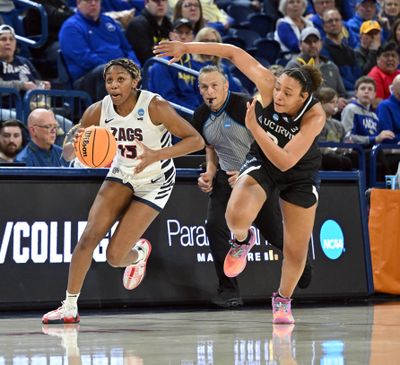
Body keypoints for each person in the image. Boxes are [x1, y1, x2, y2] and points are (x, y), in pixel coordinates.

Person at [154, 39, 325, 324]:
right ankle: (242, 239)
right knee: (234, 216)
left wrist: (255, 128)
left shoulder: (314, 116)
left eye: (288, 93)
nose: (278, 95)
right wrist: (187, 47)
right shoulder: (271, 86)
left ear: (303, 97)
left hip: (298, 172)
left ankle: (282, 300)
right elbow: (234, 52)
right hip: (264, 161)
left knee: (295, 250)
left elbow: (286, 161)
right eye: (278, 87)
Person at [41, 58, 204, 324]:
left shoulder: (155, 105)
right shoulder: (97, 111)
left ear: (135, 81)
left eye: (121, 79)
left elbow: (195, 140)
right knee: (88, 237)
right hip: (122, 173)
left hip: (156, 179)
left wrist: (156, 155)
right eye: (109, 80)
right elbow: (74, 142)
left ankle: (138, 254)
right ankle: (69, 306)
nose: (114, 85)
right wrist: (75, 144)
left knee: (115, 257)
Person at [193, 65, 312, 307]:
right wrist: (209, 172)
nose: (209, 91)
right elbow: (210, 147)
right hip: (226, 180)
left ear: (226, 86)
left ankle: (301, 261)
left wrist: (248, 171)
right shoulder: (200, 116)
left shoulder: (245, 107)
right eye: (204, 87)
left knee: (275, 234)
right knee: (215, 226)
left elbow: (271, 142)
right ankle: (228, 290)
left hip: (258, 177)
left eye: (215, 85)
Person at [59, 0, 141, 102]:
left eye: (96, 0)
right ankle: (110, 115)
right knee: (105, 72)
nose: (93, 3)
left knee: (147, 69)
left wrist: (135, 65)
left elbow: (127, 49)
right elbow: (85, 59)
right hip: (86, 79)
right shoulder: (71, 27)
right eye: (89, 1)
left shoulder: (109, 22)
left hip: (119, 71)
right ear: (79, 3)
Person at [286, 26, 347, 111]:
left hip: (332, 115)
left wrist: (339, 101)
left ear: (321, 43)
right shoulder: (295, 66)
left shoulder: (331, 66)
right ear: (300, 45)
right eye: (308, 42)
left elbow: (342, 93)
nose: (313, 45)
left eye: (315, 41)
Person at [315, 87, 353, 171]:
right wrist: (338, 150)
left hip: (337, 155)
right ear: (320, 104)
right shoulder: (316, 122)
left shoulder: (338, 124)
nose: (335, 105)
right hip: (323, 156)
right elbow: (320, 148)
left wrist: (347, 146)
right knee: (343, 161)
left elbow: (345, 139)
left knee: (356, 156)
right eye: (332, 102)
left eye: (336, 102)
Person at [125, 0, 172, 65]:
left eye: (164, 0)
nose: (160, 3)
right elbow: (146, 59)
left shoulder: (168, 24)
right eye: (156, 0)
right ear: (146, 3)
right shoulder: (138, 25)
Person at [367, 41, 400, 107]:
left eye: (393, 56)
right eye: (386, 55)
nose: (390, 59)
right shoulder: (374, 75)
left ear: (398, 60)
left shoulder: (398, 74)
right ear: (378, 59)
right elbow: (376, 103)